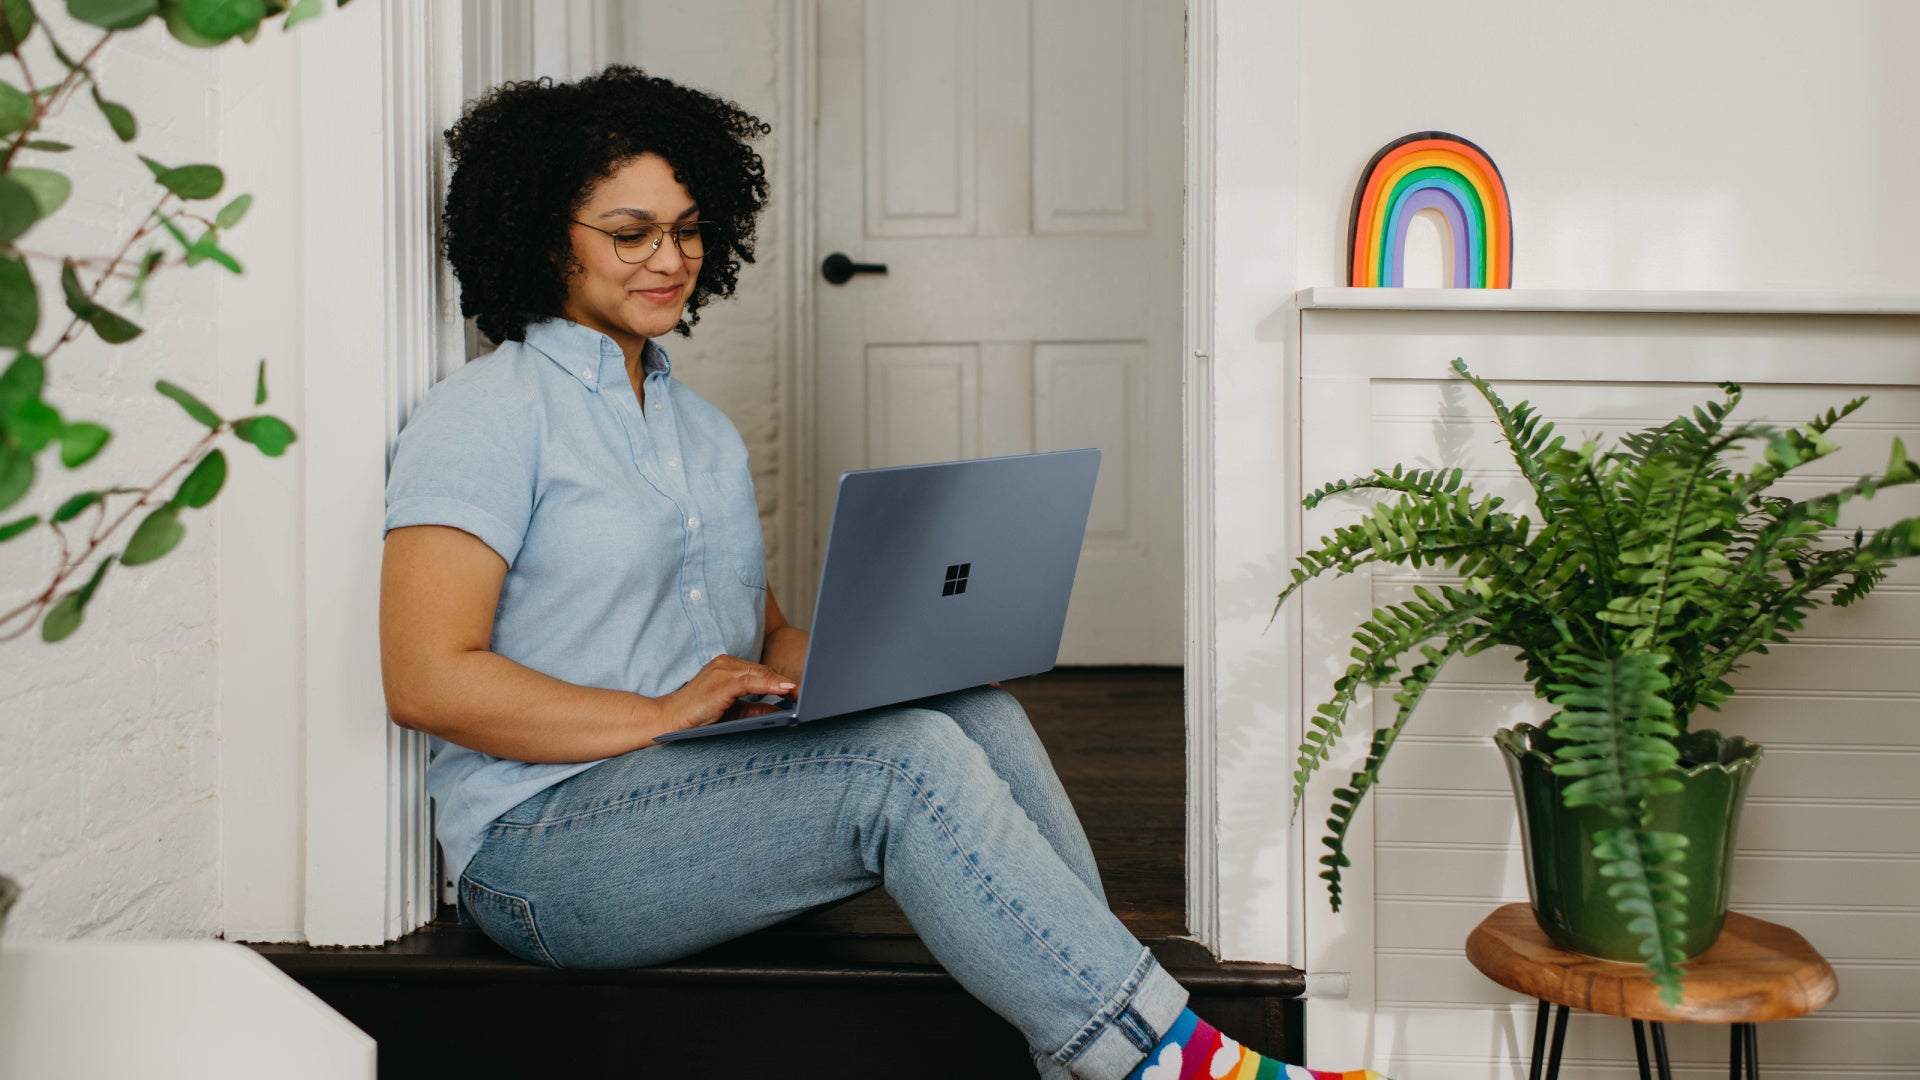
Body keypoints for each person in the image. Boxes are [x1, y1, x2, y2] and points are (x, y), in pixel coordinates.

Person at [380, 65, 1379, 1080]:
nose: (670, 259)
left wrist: (907, 663)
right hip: (544, 848)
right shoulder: (487, 415)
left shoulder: (702, 431)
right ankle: (1173, 1062)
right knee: (905, 762)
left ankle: (1124, 1053)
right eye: (631, 233)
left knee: (972, 716)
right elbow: (425, 678)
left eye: (687, 230)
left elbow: (761, 638)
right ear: (547, 238)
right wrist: (660, 714)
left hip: (687, 788)